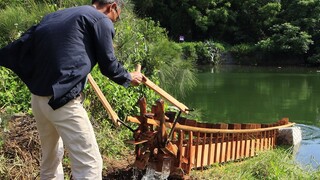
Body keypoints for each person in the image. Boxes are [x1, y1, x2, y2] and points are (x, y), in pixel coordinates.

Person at [0, 0, 144, 179]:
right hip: (63, 102)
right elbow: (109, 65)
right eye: (117, 17)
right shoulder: (100, 19)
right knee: (89, 164)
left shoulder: (58, 15)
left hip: (38, 99)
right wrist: (129, 77)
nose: (114, 22)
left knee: (50, 160)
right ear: (112, 6)